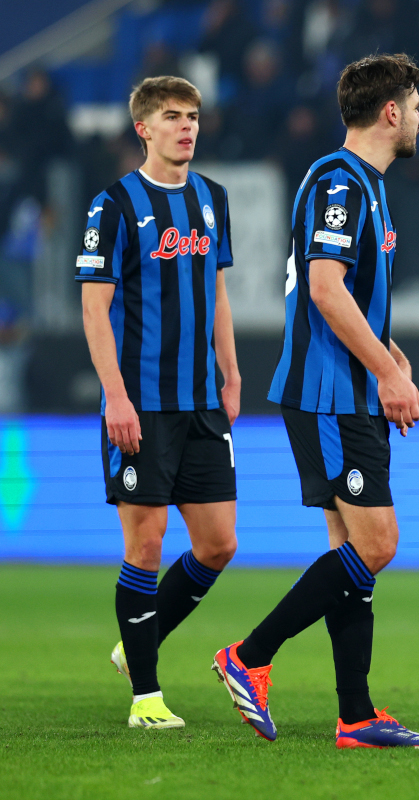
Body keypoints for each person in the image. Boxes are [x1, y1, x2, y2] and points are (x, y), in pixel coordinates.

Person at [212, 54, 419, 749]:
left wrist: (391, 355)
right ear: (391, 112)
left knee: (349, 551)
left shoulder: (365, 185)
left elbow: (354, 295)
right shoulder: (338, 182)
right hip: (329, 394)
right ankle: (248, 656)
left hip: (349, 392)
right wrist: (387, 373)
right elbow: (323, 288)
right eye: (417, 104)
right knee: (378, 545)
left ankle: (357, 715)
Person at [78, 76, 240, 730]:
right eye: (172, 117)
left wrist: (231, 374)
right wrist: (115, 396)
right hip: (141, 405)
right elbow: (95, 308)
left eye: (193, 116)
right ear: (143, 128)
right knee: (146, 545)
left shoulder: (211, 198)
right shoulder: (114, 205)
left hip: (202, 402)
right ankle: (145, 696)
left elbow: (218, 294)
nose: (187, 127)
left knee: (219, 544)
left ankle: (133, 642)